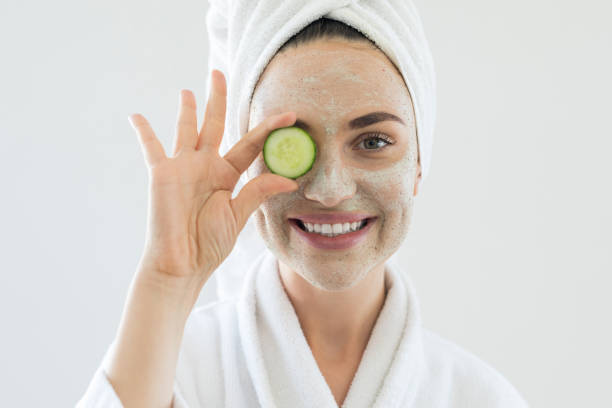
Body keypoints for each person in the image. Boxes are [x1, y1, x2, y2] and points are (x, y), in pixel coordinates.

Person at [76, 12, 529, 408]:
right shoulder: (176, 372)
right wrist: (166, 281)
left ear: (418, 164)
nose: (330, 190)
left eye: (373, 142)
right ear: (247, 160)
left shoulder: (478, 398)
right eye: (293, 144)